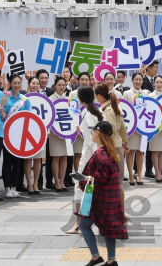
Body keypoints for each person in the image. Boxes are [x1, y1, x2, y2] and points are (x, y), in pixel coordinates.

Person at [77, 121, 128, 265]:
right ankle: (111, 260)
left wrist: (83, 177)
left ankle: (96, 257)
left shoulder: (101, 154)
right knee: (108, 227)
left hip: (96, 197)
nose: (92, 133)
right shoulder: (109, 151)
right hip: (108, 195)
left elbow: (100, 177)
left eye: (93, 131)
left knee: (84, 225)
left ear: (98, 134)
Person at [67, 86, 104, 235]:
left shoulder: (89, 115)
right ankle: (95, 223)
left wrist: (97, 159)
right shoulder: (99, 112)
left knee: (80, 188)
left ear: (81, 99)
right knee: (93, 190)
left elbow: (91, 141)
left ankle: (78, 224)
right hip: (98, 155)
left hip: (91, 158)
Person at [95, 82, 129, 217]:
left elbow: (111, 130)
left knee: (113, 182)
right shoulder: (114, 107)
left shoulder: (107, 110)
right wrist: (125, 142)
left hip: (111, 148)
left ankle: (116, 213)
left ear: (98, 95)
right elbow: (123, 128)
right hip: (117, 146)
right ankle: (120, 212)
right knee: (117, 181)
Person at [3, 74, 31, 198]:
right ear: (9, 83)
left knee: (17, 162)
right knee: (7, 161)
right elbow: (1, 116)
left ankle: (14, 187)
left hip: (20, 135)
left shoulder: (24, 100)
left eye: (19, 83)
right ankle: (7, 188)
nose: (16, 85)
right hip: (6, 134)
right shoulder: (5, 98)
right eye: (14, 83)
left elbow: (29, 117)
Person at [123, 73, 148, 185]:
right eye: (136, 79)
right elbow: (124, 109)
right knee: (130, 151)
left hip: (143, 126)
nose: (138, 81)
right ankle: (131, 175)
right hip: (132, 127)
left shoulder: (146, 93)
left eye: (140, 80)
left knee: (140, 151)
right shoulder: (127, 93)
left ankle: (139, 175)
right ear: (132, 80)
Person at [49, 77, 70, 192]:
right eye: (59, 85)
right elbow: (50, 117)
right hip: (55, 132)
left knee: (64, 157)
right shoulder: (50, 99)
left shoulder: (68, 99)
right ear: (55, 86)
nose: (62, 87)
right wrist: (56, 130)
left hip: (66, 132)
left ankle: (62, 181)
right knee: (56, 157)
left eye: (64, 85)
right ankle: (56, 181)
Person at [148, 76, 162, 183]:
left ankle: (160, 172)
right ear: (154, 84)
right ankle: (156, 172)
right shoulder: (150, 95)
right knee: (155, 150)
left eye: (161, 82)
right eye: (157, 82)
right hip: (154, 126)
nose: (159, 84)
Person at [68, 73, 92, 173]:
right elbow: (71, 111)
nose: (84, 82)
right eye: (82, 79)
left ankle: (88, 175)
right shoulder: (73, 94)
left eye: (86, 79)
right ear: (78, 81)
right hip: (77, 127)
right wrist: (76, 128)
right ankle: (79, 176)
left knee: (89, 152)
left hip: (90, 127)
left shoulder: (92, 93)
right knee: (78, 153)